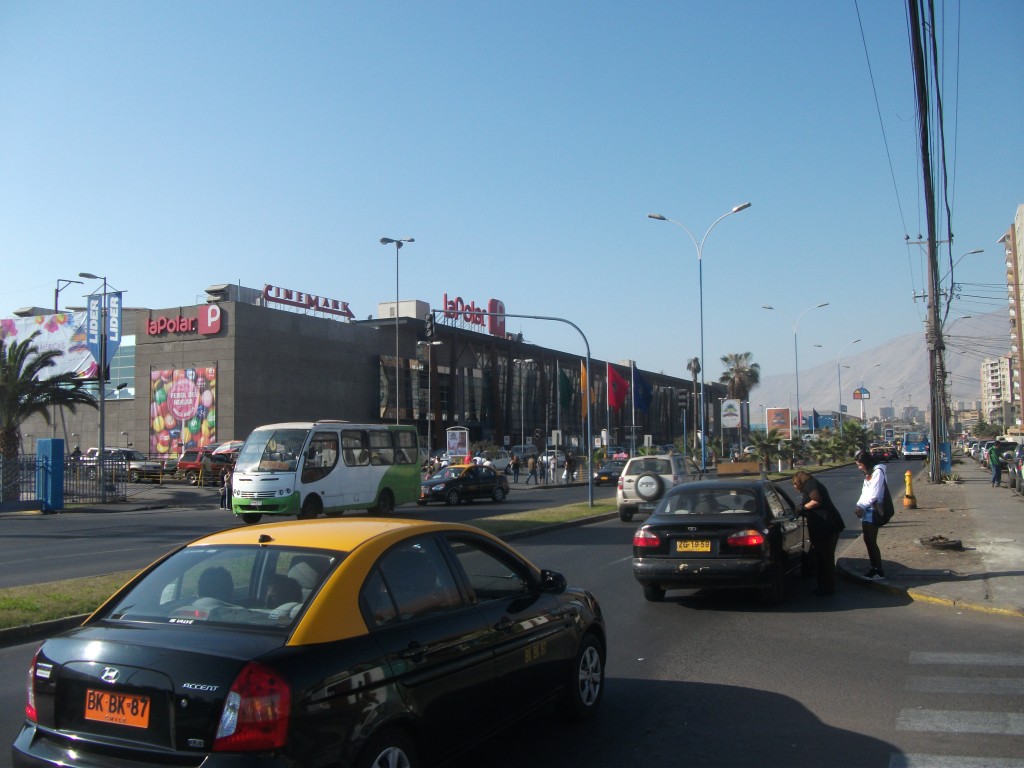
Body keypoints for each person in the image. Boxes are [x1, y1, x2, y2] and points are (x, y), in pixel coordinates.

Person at [792, 470, 845, 595]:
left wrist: (803, 508)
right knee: (823, 557)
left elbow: (816, 500)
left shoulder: (811, 484)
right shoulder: (811, 485)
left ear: (799, 481)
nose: (794, 487)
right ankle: (824, 586)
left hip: (827, 526)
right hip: (824, 527)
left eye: (794, 484)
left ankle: (827, 587)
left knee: (825, 557)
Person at [854, 449, 887, 579]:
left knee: (872, 541)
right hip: (866, 510)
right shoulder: (869, 473)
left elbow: (874, 494)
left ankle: (879, 570)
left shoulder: (878, 472)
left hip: (873, 510)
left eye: (860, 465)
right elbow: (865, 492)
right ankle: (874, 568)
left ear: (866, 463)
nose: (859, 468)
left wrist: (862, 506)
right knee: (867, 540)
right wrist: (859, 505)